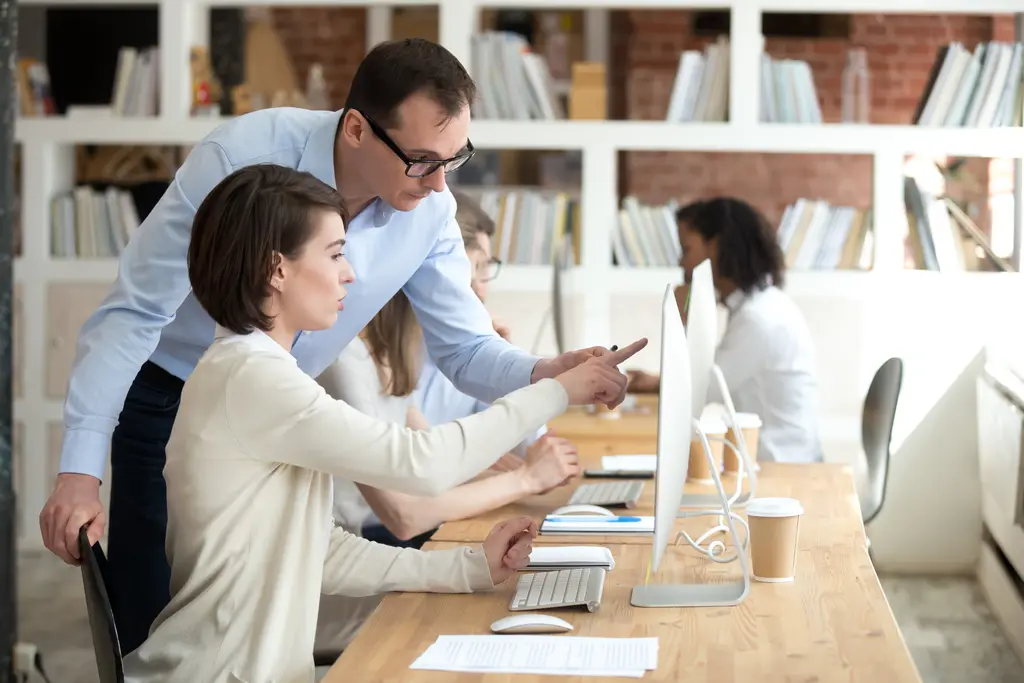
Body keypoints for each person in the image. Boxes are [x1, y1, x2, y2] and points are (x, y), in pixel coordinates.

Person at [38, 37, 646, 653]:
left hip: (281, 393)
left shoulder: (430, 210)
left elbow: (465, 351)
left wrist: (547, 370)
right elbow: (134, 313)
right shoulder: (242, 157)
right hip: (173, 387)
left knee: (280, 574)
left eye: (453, 159)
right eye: (421, 161)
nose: (439, 187)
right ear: (357, 129)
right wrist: (78, 473)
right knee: (156, 618)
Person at [121, 163, 629, 683]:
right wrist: (556, 391)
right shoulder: (250, 377)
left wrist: (468, 568)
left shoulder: (255, 370)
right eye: (336, 253)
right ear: (277, 269)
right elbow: (419, 464)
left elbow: (320, 550)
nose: (350, 274)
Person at [627, 197, 822, 463]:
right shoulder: (760, 305)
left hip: (782, 465)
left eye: (686, 248)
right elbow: (709, 382)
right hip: (774, 457)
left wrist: (682, 319)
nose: (682, 263)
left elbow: (698, 397)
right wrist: (657, 383)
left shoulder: (757, 319)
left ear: (715, 246)